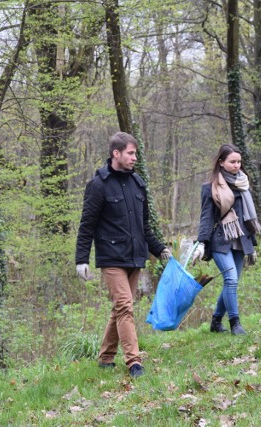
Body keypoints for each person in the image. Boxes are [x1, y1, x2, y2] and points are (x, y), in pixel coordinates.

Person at [75, 131, 171, 378]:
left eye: (135, 153)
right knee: (125, 306)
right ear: (115, 153)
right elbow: (87, 225)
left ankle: (106, 357)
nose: (134, 158)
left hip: (136, 256)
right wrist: (81, 260)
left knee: (120, 308)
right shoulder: (98, 185)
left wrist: (159, 249)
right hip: (111, 257)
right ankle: (134, 362)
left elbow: (144, 227)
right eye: (130, 153)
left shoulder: (139, 184)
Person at [192, 144, 261, 335]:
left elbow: (248, 218)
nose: (237, 165)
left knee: (232, 282)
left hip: (241, 240)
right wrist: (201, 243)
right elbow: (206, 218)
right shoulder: (210, 188)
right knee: (230, 279)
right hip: (220, 241)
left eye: (239, 161)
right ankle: (235, 323)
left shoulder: (243, 185)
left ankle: (216, 322)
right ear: (221, 163)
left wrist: (252, 245)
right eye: (232, 162)